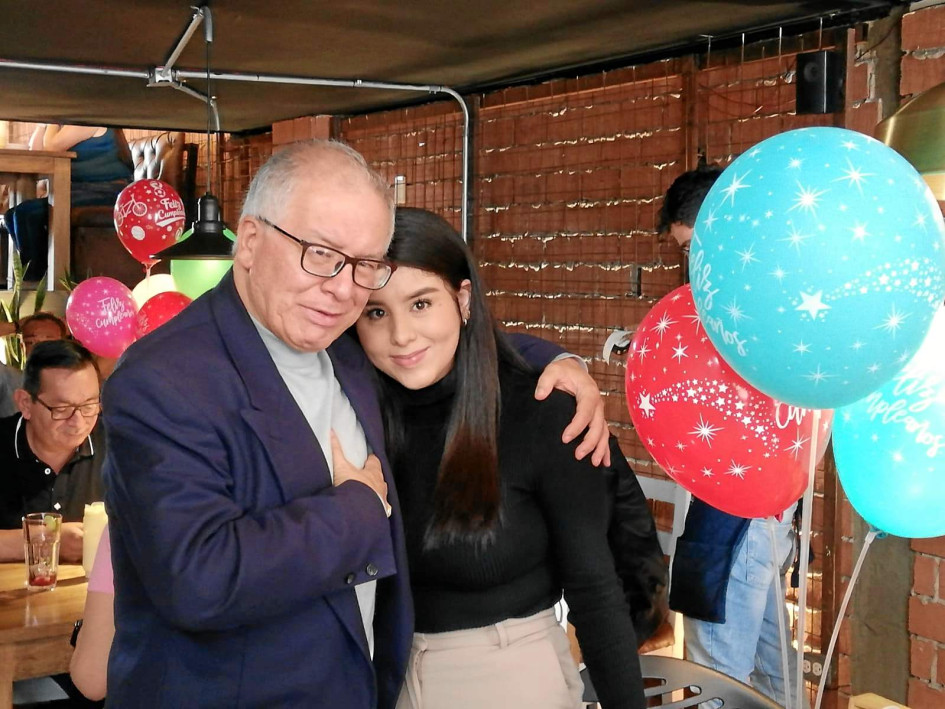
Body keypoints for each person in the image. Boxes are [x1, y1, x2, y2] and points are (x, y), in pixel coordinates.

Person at [101, 139, 609, 707]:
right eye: (320, 253)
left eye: (365, 265)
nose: (343, 288)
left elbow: (438, 344)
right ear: (250, 242)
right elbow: (199, 579)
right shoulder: (163, 379)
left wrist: (560, 362)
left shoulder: (339, 342)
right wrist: (357, 511)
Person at [347, 207, 645, 709]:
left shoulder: (542, 413)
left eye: (421, 304)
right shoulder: (352, 409)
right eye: (376, 312)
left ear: (462, 299)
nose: (401, 335)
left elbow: (595, 592)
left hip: (509, 676)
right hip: (379, 676)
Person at [658, 164, 803, 707]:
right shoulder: (779, 288)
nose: (690, 263)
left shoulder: (735, 302)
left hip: (737, 508)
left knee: (717, 680)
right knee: (775, 674)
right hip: (771, 505)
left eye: (691, 246)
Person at [0, 339, 103, 562]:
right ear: (25, 403)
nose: (78, 422)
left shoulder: (118, 447)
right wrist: (46, 539)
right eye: (62, 409)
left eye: (89, 405)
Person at [3, 124, 133, 281]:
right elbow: (37, 153)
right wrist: (42, 124)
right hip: (83, 190)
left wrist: (52, 120)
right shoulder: (66, 125)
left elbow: (51, 148)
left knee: (27, 213)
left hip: (108, 191)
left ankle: (37, 280)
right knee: (11, 215)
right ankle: (39, 275)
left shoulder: (87, 120)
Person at [0, 312, 70, 417]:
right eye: (31, 343)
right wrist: (15, 326)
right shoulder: (9, 378)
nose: (38, 349)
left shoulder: (76, 384)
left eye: (48, 343)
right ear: (22, 347)